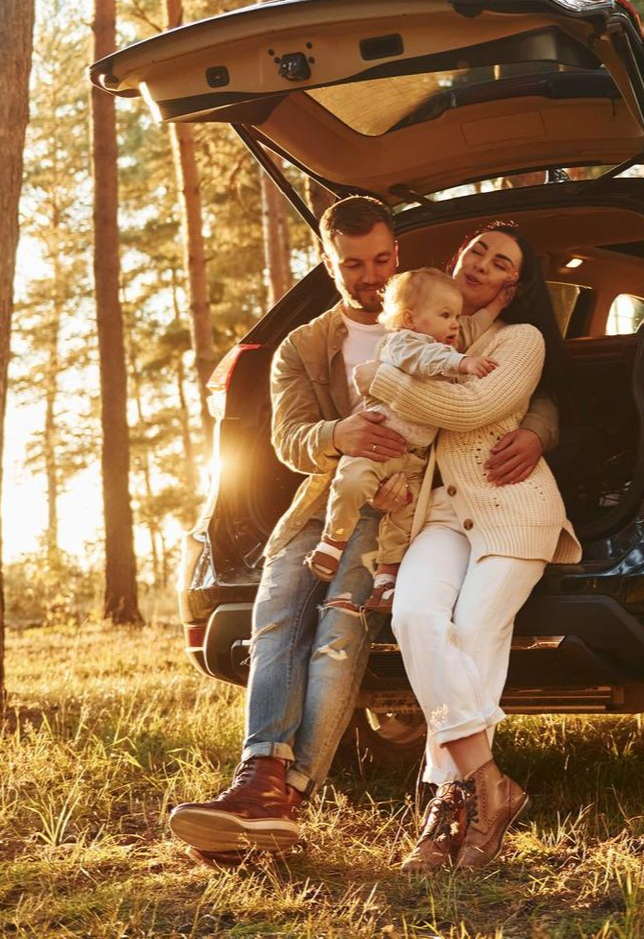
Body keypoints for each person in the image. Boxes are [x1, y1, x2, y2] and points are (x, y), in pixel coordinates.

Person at [168, 198, 556, 857]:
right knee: (274, 617)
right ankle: (259, 775)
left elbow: (509, 388)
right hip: (323, 499)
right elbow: (288, 438)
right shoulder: (305, 343)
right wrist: (337, 432)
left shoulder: (444, 316)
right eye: (353, 264)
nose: (370, 275)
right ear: (328, 262)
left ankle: (289, 794)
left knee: (339, 630)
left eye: (381, 259)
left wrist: (541, 430)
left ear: (397, 255)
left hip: (399, 508)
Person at [350, 225, 580, 872]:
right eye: (477, 248)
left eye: (501, 258)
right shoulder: (431, 336)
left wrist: (380, 376)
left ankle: (445, 812)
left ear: (514, 283)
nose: (483, 261)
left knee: (475, 628)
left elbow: (474, 405)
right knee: (416, 617)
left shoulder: (520, 340)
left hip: (513, 513)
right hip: (441, 517)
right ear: (455, 261)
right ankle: (489, 784)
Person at [305, 267, 501, 614]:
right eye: (445, 315)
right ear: (410, 319)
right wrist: (463, 363)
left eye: (457, 315)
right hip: (377, 444)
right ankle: (333, 542)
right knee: (351, 482)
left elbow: (471, 328)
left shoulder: (443, 346)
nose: (455, 324)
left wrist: (496, 306)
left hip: (415, 458)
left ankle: (385, 581)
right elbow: (425, 360)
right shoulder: (403, 344)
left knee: (406, 521)